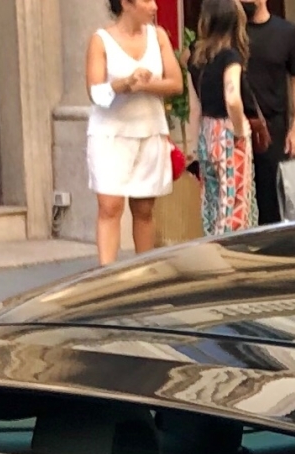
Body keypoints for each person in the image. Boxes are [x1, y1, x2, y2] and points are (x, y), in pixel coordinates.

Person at [87, 0, 182, 263]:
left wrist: (144, 86)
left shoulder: (158, 35)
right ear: (126, 4)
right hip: (110, 134)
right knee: (110, 207)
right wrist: (124, 84)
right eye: (147, 0)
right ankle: (107, 275)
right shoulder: (101, 40)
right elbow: (95, 92)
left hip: (149, 130)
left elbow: (176, 84)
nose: (154, 6)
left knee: (144, 209)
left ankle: (144, 275)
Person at [189, 0, 254, 236]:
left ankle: (212, 249)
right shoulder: (230, 57)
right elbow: (233, 97)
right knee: (233, 203)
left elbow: (194, 107)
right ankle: (231, 257)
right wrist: (239, 132)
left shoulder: (196, 59)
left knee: (212, 202)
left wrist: (194, 145)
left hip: (206, 132)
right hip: (228, 133)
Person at [241, 0, 295, 224]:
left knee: (272, 202)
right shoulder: (231, 32)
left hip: (273, 129)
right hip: (237, 127)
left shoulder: (287, 32)